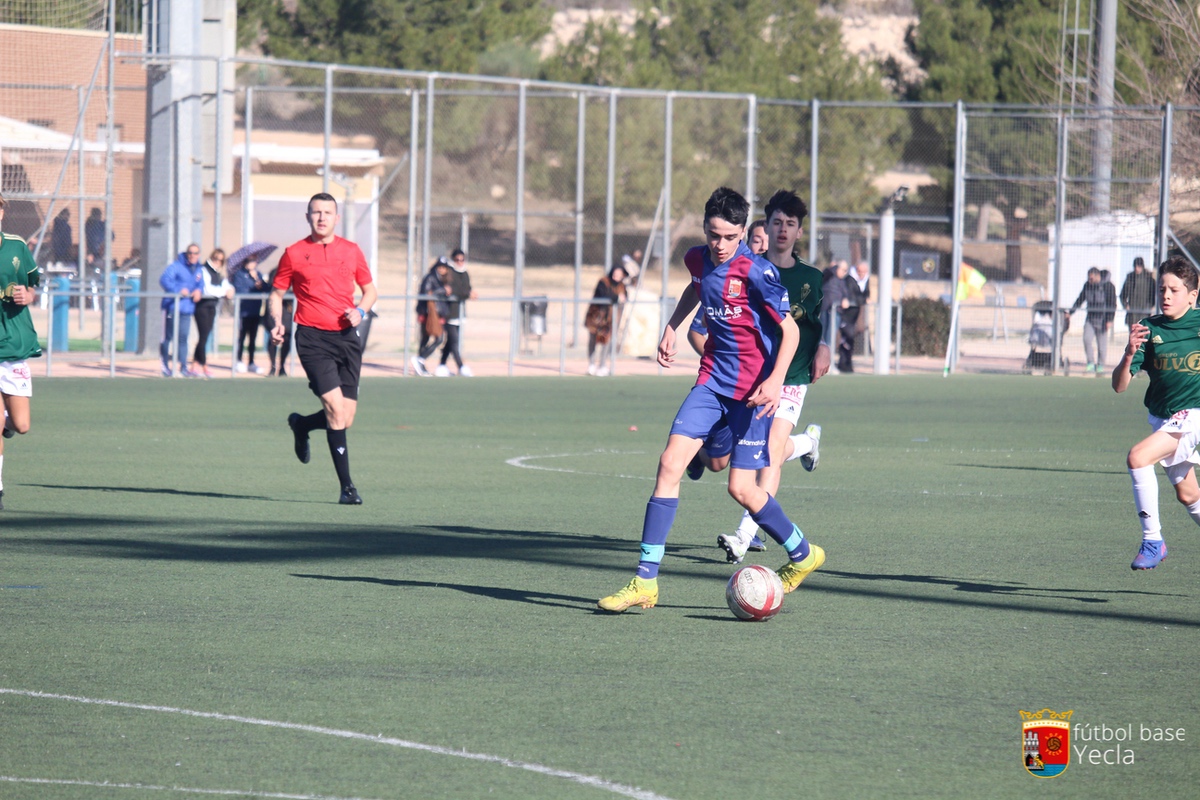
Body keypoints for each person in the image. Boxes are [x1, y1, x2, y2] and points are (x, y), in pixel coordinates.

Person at [597, 186, 824, 613]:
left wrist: (775, 382)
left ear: (742, 233)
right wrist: (672, 325)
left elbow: (790, 332)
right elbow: (696, 287)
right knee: (668, 464)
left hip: (754, 393)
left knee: (741, 488)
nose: (719, 245)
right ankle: (645, 582)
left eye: (728, 237)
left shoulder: (758, 272)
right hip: (711, 382)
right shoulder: (698, 259)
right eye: (712, 234)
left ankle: (803, 553)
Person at [686, 190, 830, 563]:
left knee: (767, 456)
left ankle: (743, 535)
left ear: (800, 232)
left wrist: (824, 346)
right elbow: (703, 316)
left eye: (790, 225)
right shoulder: (744, 265)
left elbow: (809, 324)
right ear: (765, 227)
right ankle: (807, 444)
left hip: (790, 377)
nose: (782, 231)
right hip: (746, 381)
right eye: (777, 223)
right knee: (728, 461)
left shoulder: (811, 278)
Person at [269, 192, 377, 505]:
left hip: (346, 337)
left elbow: (370, 291)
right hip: (312, 338)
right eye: (316, 212)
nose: (321, 217)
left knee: (347, 416)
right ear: (308, 216)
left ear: (336, 217)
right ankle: (347, 489)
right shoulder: (293, 253)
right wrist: (277, 323)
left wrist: (361, 310)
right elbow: (277, 294)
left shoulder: (351, 251)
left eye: (327, 212)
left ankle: (301, 424)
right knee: (334, 408)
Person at [1112, 255, 1200, 570]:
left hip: (1194, 417)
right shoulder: (1148, 329)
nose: (1165, 295)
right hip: (1165, 418)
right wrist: (1129, 353)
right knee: (1188, 495)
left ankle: (1153, 540)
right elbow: (1120, 386)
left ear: (1193, 294)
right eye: (1162, 289)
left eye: (1174, 290)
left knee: (1138, 457)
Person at [0, 193, 42, 511]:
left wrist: (27, 295)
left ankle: (7, 423)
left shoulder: (16, 246)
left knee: (21, 425)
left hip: (14, 344)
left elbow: (33, 284)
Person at [158, 243, 203, 377]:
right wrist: (178, 290)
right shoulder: (176, 266)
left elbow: (200, 284)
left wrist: (198, 290)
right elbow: (164, 280)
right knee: (168, 337)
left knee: (183, 338)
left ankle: (183, 367)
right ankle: (165, 366)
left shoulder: (199, 269)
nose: (192, 255)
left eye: (195, 253)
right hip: (172, 307)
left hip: (187, 309)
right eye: (190, 252)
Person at [192, 248, 232, 378]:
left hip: (212, 307)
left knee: (205, 336)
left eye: (221, 260)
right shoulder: (204, 270)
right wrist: (223, 292)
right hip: (202, 306)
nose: (218, 262)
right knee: (203, 336)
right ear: (211, 257)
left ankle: (195, 364)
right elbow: (207, 290)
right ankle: (204, 365)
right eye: (216, 259)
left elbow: (227, 286)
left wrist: (230, 290)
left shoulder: (220, 273)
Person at [1068, 266, 1115, 374]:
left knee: (1101, 345)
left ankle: (1100, 365)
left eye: (1092, 279)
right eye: (1089, 279)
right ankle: (1090, 363)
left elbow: (1112, 304)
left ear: (1098, 276)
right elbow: (1080, 299)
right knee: (1086, 339)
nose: (1090, 281)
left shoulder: (1108, 286)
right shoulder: (1087, 285)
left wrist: (1109, 320)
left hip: (1102, 320)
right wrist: (1071, 312)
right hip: (1090, 318)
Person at [437, 248, 476, 377]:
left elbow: (466, 288)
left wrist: (467, 293)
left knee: (450, 341)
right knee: (454, 341)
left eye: (462, 259)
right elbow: (456, 290)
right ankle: (461, 366)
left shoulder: (465, 273)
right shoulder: (450, 273)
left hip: (460, 312)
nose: (460, 262)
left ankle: (441, 365)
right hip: (450, 313)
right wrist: (467, 294)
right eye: (457, 260)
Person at [410, 257, 452, 376]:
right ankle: (420, 360)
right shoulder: (430, 277)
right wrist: (442, 290)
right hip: (428, 313)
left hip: (437, 314)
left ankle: (420, 364)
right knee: (437, 338)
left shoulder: (443, 279)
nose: (442, 269)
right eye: (440, 267)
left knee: (427, 339)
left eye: (444, 267)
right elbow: (426, 293)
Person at [584, 263, 627, 376]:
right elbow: (603, 295)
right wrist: (616, 298)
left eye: (620, 274)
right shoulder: (603, 282)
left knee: (605, 341)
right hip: (596, 316)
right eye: (615, 273)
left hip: (610, 319)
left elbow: (625, 297)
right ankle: (591, 365)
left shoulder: (622, 286)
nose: (617, 275)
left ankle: (602, 366)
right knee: (593, 339)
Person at [231, 257, 267, 374]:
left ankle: (251, 362)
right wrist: (252, 287)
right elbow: (240, 290)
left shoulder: (258, 274)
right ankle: (239, 361)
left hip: (255, 311)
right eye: (251, 261)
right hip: (243, 312)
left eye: (255, 261)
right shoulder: (239, 274)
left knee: (253, 338)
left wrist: (257, 280)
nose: (253, 263)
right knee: (241, 337)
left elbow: (266, 289)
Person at [839, 260, 870, 373]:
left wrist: (864, 299)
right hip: (846, 315)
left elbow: (866, 294)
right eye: (860, 271)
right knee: (846, 338)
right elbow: (853, 296)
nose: (862, 274)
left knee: (850, 340)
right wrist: (863, 300)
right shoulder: (849, 280)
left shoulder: (866, 279)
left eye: (864, 272)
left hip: (855, 316)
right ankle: (843, 363)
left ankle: (848, 364)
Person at [266, 263, 294, 377]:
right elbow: (272, 289)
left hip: (287, 313)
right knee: (273, 338)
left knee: (287, 339)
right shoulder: (275, 272)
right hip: (275, 312)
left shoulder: (293, 272)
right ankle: (273, 366)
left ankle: (282, 366)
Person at [821, 259, 850, 360]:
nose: (844, 272)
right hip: (825, 309)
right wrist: (834, 267)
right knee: (822, 337)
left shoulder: (843, 281)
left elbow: (846, 293)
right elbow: (825, 273)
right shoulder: (830, 276)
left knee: (831, 337)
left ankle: (828, 362)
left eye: (846, 270)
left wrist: (845, 299)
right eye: (843, 269)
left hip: (836, 312)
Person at [1120, 256, 1156, 330]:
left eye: (1139, 266)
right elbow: (1122, 295)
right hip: (1132, 313)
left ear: (1142, 266)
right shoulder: (1130, 278)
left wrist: (1152, 307)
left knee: (1144, 335)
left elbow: (1154, 295)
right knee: (1133, 336)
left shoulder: (1149, 278)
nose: (1137, 268)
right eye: (1135, 266)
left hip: (1145, 312)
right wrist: (1126, 305)